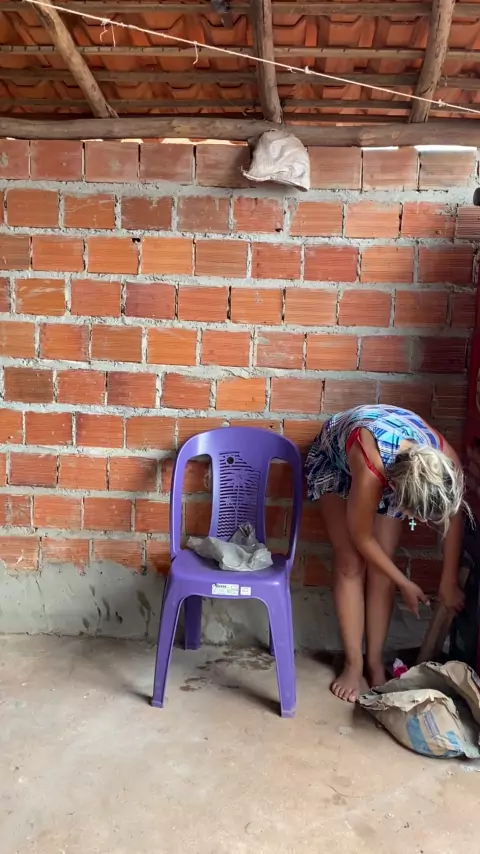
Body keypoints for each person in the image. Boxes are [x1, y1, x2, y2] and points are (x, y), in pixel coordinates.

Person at [305, 404, 468, 703]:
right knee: (351, 563)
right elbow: (361, 537)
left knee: (382, 567)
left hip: (395, 460)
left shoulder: (444, 464)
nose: (417, 522)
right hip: (337, 458)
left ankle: (374, 662)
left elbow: (454, 515)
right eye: (415, 515)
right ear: (395, 490)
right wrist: (404, 583)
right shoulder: (372, 469)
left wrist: (448, 581)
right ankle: (353, 665)